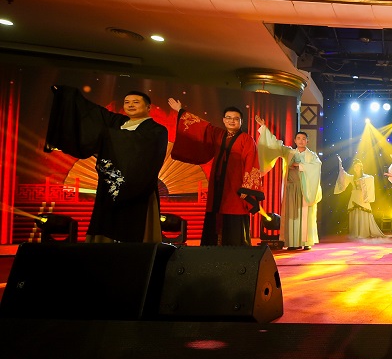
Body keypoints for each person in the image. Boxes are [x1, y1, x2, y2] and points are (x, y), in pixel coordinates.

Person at [44, 86, 168, 243]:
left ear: (148, 107)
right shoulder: (117, 122)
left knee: (135, 230)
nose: (130, 105)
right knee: (105, 224)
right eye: (127, 102)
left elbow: (143, 150)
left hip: (140, 188)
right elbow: (93, 113)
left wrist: (107, 135)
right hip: (109, 185)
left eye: (136, 102)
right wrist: (68, 96)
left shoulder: (157, 130)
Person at [168, 98, 263, 246]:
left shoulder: (247, 140)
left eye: (236, 119)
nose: (232, 121)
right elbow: (201, 127)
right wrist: (181, 111)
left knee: (234, 212)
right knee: (215, 212)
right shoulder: (218, 134)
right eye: (229, 118)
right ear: (223, 120)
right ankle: (212, 250)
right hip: (217, 184)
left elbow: (252, 163)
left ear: (241, 122)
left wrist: (247, 188)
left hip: (235, 186)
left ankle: (236, 253)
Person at [255, 118, 322, 250]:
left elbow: (316, 166)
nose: (301, 141)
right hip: (291, 187)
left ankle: (306, 242)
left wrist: (300, 165)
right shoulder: (289, 152)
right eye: (299, 138)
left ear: (307, 141)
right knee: (292, 215)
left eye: (304, 138)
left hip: (305, 188)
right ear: (295, 140)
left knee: (304, 214)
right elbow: (275, 145)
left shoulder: (312, 156)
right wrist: (263, 128)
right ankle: (292, 242)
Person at [333, 156, 385, 238]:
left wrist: (362, 181)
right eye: (355, 167)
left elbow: (371, 178)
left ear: (361, 167)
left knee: (363, 214)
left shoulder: (365, 177)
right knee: (355, 214)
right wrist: (341, 166)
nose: (356, 168)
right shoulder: (352, 177)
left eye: (358, 166)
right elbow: (344, 175)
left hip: (362, 198)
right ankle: (356, 233)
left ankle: (363, 232)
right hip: (354, 197)